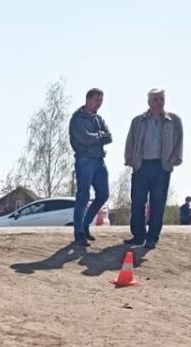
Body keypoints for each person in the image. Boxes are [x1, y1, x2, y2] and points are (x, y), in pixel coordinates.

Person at [124, 88, 184, 250]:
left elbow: (179, 142)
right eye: (155, 100)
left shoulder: (174, 121)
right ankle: (138, 235)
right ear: (149, 102)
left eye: (161, 99)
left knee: (158, 203)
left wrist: (172, 161)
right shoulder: (138, 121)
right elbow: (130, 142)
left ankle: (152, 238)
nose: (159, 103)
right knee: (137, 202)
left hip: (161, 167)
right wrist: (132, 161)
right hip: (141, 166)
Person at [68, 87, 112, 248]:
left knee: (103, 195)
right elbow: (84, 138)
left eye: (101, 101)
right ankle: (78, 233)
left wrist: (97, 137)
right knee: (83, 196)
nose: (99, 104)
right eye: (96, 100)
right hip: (84, 161)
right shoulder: (77, 119)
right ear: (87, 100)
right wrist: (100, 137)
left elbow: (109, 137)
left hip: (99, 161)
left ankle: (86, 224)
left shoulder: (99, 119)